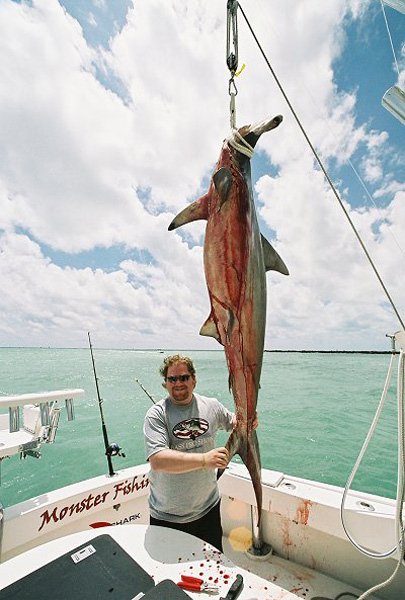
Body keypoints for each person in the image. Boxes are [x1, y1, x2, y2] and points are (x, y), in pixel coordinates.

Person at [143, 354, 235, 552]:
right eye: (172, 379)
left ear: (194, 379)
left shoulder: (211, 406)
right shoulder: (157, 414)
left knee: (212, 567)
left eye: (184, 377)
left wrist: (249, 420)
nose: (178, 383)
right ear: (165, 383)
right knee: (172, 576)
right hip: (168, 516)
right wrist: (204, 459)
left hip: (209, 508)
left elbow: (234, 423)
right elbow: (158, 460)